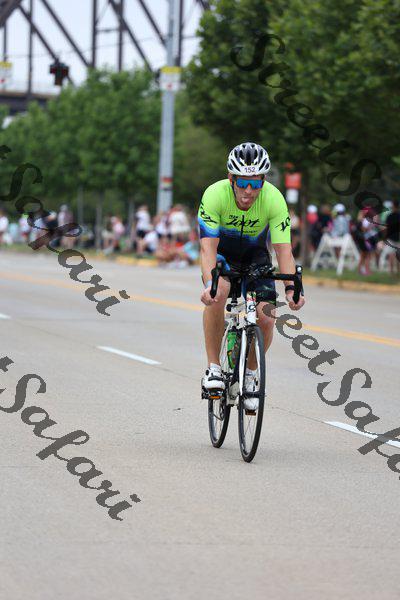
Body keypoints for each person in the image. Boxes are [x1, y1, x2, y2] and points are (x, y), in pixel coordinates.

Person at [198, 142, 305, 411]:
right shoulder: (214, 195)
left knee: (267, 316)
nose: (248, 191)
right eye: (243, 183)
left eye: (255, 184)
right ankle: (213, 368)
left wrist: (291, 288)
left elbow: (283, 250)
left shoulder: (274, 198)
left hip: (256, 257)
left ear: (263, 181)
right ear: (231, 179)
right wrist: (210, 284)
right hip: (222, 256)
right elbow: (207, 248)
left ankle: (250, 373)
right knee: (218, 295)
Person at [385, 200, 400, 275]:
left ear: (393, 206)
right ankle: (398, 271)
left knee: (391, 255)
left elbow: (386, 228)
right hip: (398, 238)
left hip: (391, 238)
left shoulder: (389, 216)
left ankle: (391, 272)